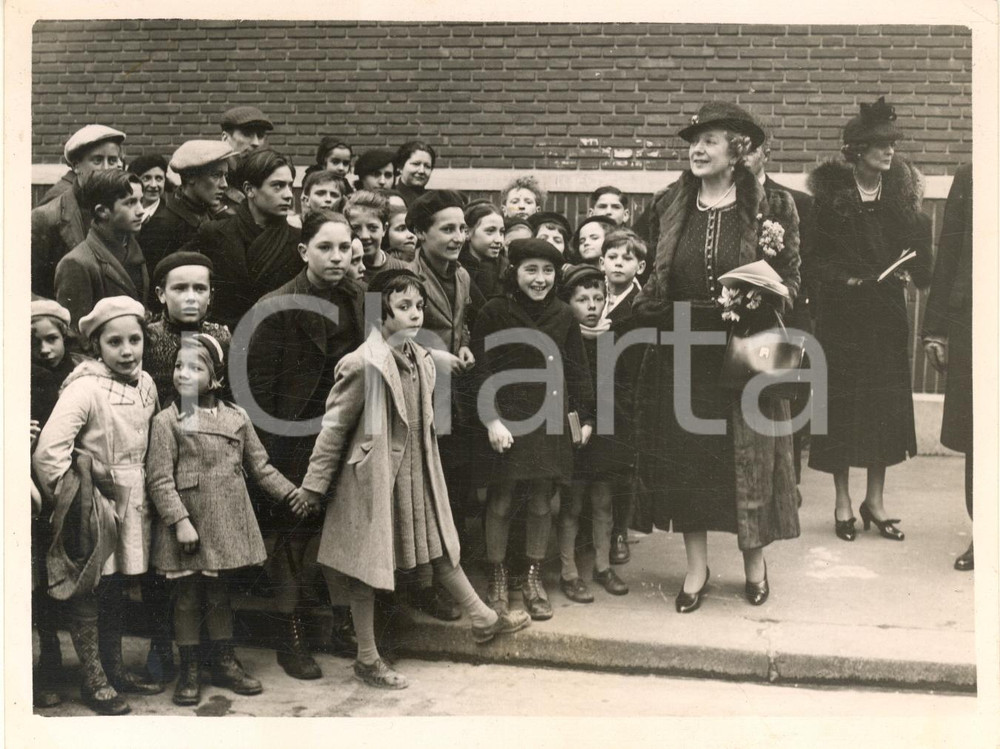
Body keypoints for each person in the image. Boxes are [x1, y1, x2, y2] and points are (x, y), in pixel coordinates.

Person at [292, 269, 531, 689]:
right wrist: (313, 486)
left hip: (416, 473)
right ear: (379, 313)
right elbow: (332, 429)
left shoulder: (419, 358)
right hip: (373, 480)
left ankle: (482, 617)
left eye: (419, 305)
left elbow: (422, 387)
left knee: (439, 544)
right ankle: (367, 658)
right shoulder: (360, 364)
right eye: (404, 307)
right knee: (366, 567)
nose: (416, 314)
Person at [632, 101, 802, 613]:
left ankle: (754, 564)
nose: (697, 149)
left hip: (747, 349)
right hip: (684, 349)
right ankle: (696, 569)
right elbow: (643, 269)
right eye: (693, 141)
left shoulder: (772, 205)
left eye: (710, 140)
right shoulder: (667, 203)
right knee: (690, 462)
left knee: (749, 459)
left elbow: (793, 278)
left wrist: (765, 296)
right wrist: (653, 307)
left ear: (738, 151)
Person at [147, 334, 297, 706]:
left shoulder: (236, 417)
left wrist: (292, 494)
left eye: (195, 367)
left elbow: (259, 467)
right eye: (179, 366)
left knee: (219, 595)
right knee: (186, 598)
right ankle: (191, 668)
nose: (183, 373)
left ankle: (225, 662)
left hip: (224, 522)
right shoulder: (167, 421)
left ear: (215, 377)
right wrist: (180, 521)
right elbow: (160, 479)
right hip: (189, 525)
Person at [246, 211, 366, 679]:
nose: (337, 257)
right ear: (304, 251)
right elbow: (258, 392)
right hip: (292, 438)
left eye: (344, 248)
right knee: (289, 540)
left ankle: (341, 624)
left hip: (346, 435)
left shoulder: (358, 299)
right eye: (325, 248)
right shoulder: (275, 307)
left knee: (338, 533)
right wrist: (276, 460)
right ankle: (289, 634)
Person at [807, 97, 932, 543]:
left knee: (883, 408)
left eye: (893, 143)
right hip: (842, 320)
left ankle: (874, 501)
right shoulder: (828, 202)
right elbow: (814, 262)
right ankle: (842, 501)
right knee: (840, 407)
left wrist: (910, 258)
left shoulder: (902, 198)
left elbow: (923, 266)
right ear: (857, 149)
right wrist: (848, 281)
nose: (890, 151)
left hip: (885, 320)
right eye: (880, 144)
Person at [33, 296, 163, 715]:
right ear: (96, 347)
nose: (127, 351)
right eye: (114, 342)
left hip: (135, 496)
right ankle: (93, 676)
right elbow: (49, 452)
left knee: (117, 585)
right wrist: (69, 502)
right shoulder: (85, 387)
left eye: (134, 340)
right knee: (90, 585)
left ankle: (115, 667)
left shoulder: (147, 384)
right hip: (95, 500)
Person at [471, 239, 595, 621]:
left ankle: (532, 577)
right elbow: (481, 369)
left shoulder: (562, 315)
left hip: (550, 420)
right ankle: (497, 578)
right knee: (503, 499)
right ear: (515, 272)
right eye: (530, 270)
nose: (539, 279)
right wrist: (491, 419)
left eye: (547, 271)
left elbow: (578, 370)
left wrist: (585, 418)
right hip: (506, 420)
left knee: (543, 500)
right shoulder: (494, 311)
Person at [745, 135, 816, 505]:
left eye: (751, 149)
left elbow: (809, 264)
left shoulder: (794, 202)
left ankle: (789, 483)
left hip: (785, 314)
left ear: (765, 155)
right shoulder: (721, 201)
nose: (743, 157)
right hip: (738, 317)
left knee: (785, 403)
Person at [556, 264, 629, 603]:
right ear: (568, 302)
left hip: (607, 430)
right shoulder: (564, 339)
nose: (591, 306)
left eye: (598, 298)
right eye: (582, 299)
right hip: (575, 430)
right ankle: (569, 571)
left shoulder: (614, 336)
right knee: (572, 503)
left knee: (603, 500)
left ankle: (602, 566)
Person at [30, 299, 81, 708]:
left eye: (52, 340)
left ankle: (87, 658)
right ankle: (47, 652)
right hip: (28, 486)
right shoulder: (16, 378)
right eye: (35, 342)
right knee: (35, 575)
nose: (45, 350)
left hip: (70, 485)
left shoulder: (77, 377)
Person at [922, 163, 973, 569]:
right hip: (978, 319)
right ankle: (985, 532)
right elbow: (951, 251)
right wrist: (935, 329)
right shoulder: (971, 176)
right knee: (981, 433)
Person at [197, 149, 301, 331]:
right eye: (278, 186)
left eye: (290, 186)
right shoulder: (214, 234)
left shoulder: (299, 240)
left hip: (278, 344)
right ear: (249, 189)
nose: (289, 194)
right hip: (226, 344)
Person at [597, 228, 648, 564]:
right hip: (594, 388)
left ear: (639, 267)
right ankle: (594, 532)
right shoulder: (591, 294)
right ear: (601, 262)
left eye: (627, 258)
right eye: (612, 257)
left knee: (622, 466)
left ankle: (618, 531)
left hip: (626, 393)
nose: (618, 263)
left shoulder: (642, 306)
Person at [32, 124, 127, 299]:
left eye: (112, 161)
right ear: (76, 166)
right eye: (97, 160)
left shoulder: (125, 211)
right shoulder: (45, 218)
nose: (106, 168)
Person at [54, 170, 148, 328]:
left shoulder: (133, 248)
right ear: (102, 211)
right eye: (130, 203)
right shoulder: (77, 263)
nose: (141, 211)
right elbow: (76, 337)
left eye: (141, 201)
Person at [139, 140, 238, 275]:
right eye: (216, 175)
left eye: (225, 176)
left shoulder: (210, 213)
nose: (224, 184)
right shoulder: (161, 225)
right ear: (190, 176)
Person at [344, 189, 409, 280]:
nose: (364, 236)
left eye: (372, 228)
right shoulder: (343, 271)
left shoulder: (403, 270)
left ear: (384, 229)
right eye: (356, 228)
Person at [219, 106, 274, 209]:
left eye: (260, 136)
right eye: (247, 134)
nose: (256, 143)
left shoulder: (266, 177)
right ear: (225, 138)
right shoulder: (212, 179)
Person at [459, 201, 509, 299]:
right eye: (490, 231)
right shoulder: (456, 270)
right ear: (467, 233)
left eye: (501, 232)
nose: (499, 240)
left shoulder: (507, 271)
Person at [129, 154, 169, 226]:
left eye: (158, 178)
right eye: (146, 178)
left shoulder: (169, 218)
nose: (153, 185)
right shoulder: (126, 210)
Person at [394, 140, 436, 206]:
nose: (422, 171)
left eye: (427, 166)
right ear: (400, 167)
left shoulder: (434, 200)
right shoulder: (392, 197)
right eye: (416, 164)